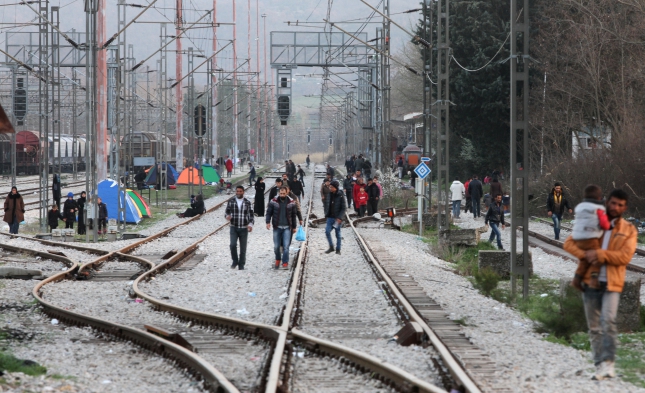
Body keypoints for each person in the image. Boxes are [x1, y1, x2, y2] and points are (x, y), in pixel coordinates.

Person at [563, 189, 636, 381]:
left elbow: (625, 257)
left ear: (625, 207)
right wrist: (585, 255)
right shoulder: (594, 221)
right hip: (590, 281)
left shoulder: (628, 229)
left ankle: (609, 363)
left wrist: (600, 255)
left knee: (608, 321)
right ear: (607, 202)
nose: (616, 207)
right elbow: (569, 243)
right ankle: (599, 365)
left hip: (613, 282)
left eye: (620, 205)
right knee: (594, 327)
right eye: (613, 203)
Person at [569, 185, 611, 291]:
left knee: (585, 260)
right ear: (598, 198)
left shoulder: (580, 207)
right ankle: (594, 280)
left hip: (577, 238)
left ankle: (576, 279)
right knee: (597, 257)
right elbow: (604, 224)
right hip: (590, 238)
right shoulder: (599, 209)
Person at [266, 186, 298, 269]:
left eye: (284, 193)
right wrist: (267, 222)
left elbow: (294, 215)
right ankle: (278, 259)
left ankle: (285, 262)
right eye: (281, 193)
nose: (282, 195)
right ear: (278, 193)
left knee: (286, 246)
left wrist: (294, 227)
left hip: (287, 227)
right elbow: (269, 212)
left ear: (287, 193)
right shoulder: (273, 201)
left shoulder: (291, 202)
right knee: (276, 246)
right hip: (277, 227)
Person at [225, 185, 254, 270]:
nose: (238, 193)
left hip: (244, 227)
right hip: (234, 227)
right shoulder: (231, 201)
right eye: (237, 191)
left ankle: (241, 264)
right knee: (232, 245)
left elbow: (251, 215)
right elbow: (227, 212)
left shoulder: (248, 202)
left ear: (243, 192)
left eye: (240, 191)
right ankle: (235, 260)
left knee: (243, 248)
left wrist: (250, 224)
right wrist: (227, 216)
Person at [324, 181, 346, 255]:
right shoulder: (329, 195)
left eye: (332, 187)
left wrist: (340, 217)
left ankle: (338, 249)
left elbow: (344, 208)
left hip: (337, 218)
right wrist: (326, 214)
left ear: (336, 188)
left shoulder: (340, 195)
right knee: (327, 231)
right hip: (330, 217)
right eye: (330, 187)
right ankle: (331, 246)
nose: (330, 188)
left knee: (338, 234)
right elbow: (327, 204)